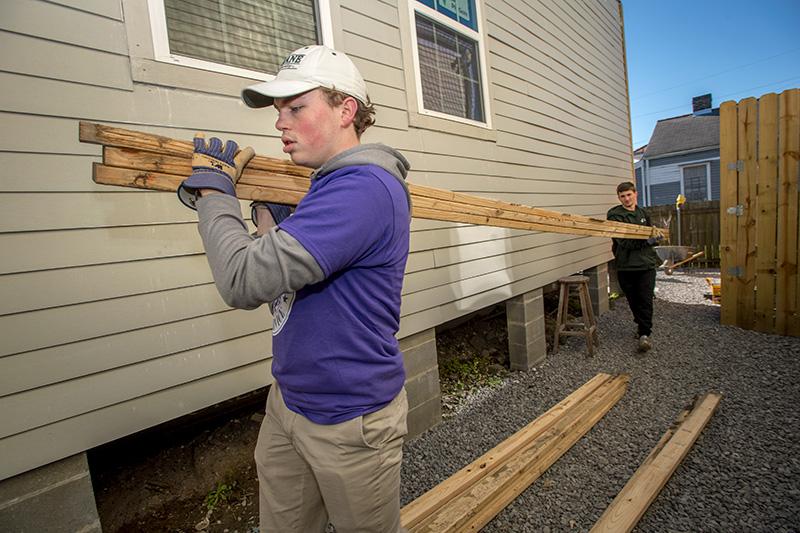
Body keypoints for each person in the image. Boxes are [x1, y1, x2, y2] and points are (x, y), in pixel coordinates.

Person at [176, 45, 412, 533]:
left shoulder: (363, 188)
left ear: (347, 110)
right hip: (290, 402)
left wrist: (214, 197)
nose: (280, 123)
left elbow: (243, 281)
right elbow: (285, 283)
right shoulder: (324, 187)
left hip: (350, 419)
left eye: (296, 108)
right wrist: (268, 221)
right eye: (279, 111)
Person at [606, 181, 663, 352]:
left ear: (635, 194)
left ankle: (645, 334)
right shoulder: (614, 214)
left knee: (645, 299)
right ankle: (641, 326)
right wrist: (646, 241)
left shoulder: (643, 213)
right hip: (626, 265)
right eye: (622, 196)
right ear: (619, 198)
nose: (626, 199)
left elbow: (650, 235)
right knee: (633, 300)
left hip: (646, 265)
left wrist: (654, 239)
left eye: (629, 194)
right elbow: (623, 242)